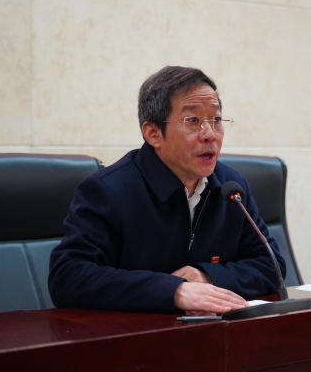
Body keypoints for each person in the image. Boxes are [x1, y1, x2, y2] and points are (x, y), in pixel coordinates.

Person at [48, 66, 286, 314]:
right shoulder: (108, 190)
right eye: (193, 121)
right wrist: (174, 290)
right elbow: (68, 277)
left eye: (216, 120)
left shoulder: (230, 187)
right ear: (153, 134)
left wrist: (206, 276)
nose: (210, 135)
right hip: (135, 333)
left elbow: (271, 265)